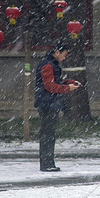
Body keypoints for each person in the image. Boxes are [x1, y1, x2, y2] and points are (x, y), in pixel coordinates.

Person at [34, 42, 81, 172]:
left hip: (48, 102)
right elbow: (50, 86)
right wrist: (67, 88)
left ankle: (48, 162)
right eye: (64, 55)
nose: (64, 58)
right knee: (48, 135)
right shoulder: (48, 65)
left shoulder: (50, 64)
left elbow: (56, 81)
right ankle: (47, 164)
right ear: (57, 52)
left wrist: (69, 82)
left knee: (48, 134)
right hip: (48, 103)